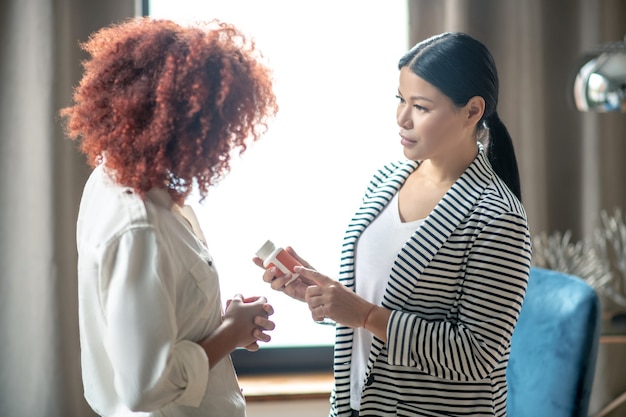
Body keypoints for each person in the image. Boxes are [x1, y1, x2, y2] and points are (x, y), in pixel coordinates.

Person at [257, 32, 532, 417]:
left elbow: (477, 355)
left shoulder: (497, 217)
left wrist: (366, 315)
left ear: (472, 111)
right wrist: (321, 294)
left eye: (420, 106)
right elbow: (376, 304)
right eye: (400, 99)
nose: (401, 118)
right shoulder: (387, 180)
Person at [60, 17, 279, 417]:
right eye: (222, 128)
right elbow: (145, 387)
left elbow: (154, 317)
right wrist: (230, 334)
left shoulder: (119, 179)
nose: (227, 143)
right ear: (188, 126)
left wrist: (222, 322)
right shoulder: (139, 225)